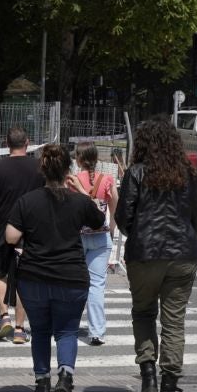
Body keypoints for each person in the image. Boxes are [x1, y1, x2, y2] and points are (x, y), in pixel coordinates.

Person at [114, 116, 197, 392]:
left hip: (144, 254)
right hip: (183, 254)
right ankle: (168, 391)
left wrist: (137, 233)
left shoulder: (136, 173)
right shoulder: (190, 175)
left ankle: (148, 376)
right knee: (174, 322)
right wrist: (193, 245)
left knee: (142, 313)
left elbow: (123, 217)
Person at [5, 144, 104, 392]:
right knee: (67, 331)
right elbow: (99, 220)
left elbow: (11, 237)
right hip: (71, 276)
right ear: (68, 170)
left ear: (43, 169)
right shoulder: (79, 201)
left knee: (39, 331)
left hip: (34, 276)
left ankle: (41, 387)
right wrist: (83, 192)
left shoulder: (28, 201)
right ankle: (66, 377)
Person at [0, 126, 45, 344]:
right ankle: (19, 329)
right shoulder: (39, 168)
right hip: (32, 230)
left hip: (4, 228)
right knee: (25, 278)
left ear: (7, 144)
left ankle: (4, 315)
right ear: (27, 143)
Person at [68, 141, 119, 346]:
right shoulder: (106, 180)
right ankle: (96, 331)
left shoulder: (71, 180)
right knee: (97, 284)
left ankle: (69, 326)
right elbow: (115, 206)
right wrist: (112, 229)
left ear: (78, 159)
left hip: (77, 237)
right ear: (96, 159)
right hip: (100, 236)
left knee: (74, 283)